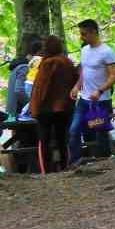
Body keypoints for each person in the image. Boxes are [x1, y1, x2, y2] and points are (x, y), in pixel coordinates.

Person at [68, 19, 115, 165]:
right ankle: (75, 162)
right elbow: (84, 70)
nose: (81, 37)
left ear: (93, 32)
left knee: (100, 133)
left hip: (100, 101)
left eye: (83, 34)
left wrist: (100, 90)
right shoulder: (84, 50)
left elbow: (114, 76)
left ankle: (104, 162)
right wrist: (77, 86)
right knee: (74, 130)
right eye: (80, 34)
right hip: (84, 100)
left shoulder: (106, 52)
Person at [28, 35, 79, 172]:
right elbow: (75, 81)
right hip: (64, 109)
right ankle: (65, 166)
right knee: (62, 139)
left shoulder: (47, 63)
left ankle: (47, 170)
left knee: (44, 140)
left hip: (45, 110)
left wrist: (34, 108)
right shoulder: (67, 62)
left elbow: (40, 88)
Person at [5, 41, 41, 122]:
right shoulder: (25, 67)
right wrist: (32, 104)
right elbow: (19, 90)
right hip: (19, 112)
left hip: (14, 112)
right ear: (38, 53)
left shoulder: (18, 66)